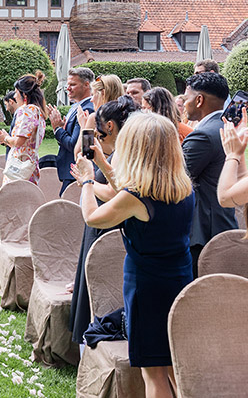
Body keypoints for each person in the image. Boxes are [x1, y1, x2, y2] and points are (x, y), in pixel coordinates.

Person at [76, 112, 193, 398]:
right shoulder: (181, 187)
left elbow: (92, 216)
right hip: (178, 279)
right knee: (173, 367)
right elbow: (130, 190)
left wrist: (87, 181)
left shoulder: (137, 197)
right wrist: (103, 164)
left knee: (153, 373)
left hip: (146, 288)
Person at [67, 95, 141, 347]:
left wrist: (87, 182)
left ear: (110, 126)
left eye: (99, 132)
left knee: (97, 285)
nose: (98, 137)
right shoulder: (122, 149)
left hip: (106, 222)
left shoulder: (122, 152)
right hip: (107, 218)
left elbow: (114, 192)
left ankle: (87, 341)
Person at [181, 72, 237, 276]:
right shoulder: (225, 128)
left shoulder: (203, 136)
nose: (184, 104)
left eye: (186, 98)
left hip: (203, 231)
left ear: (199, 100)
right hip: (222, 223)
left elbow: (175, 177)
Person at [0, 72, 47, 185]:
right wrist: (5, 138)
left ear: (24, 95)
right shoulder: (39, 112)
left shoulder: (26, 110)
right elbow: (25, 145)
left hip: (19, 168)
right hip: (30, 166)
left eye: (16, 92)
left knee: (13, 194)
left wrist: (5, 138)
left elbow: (19, 142)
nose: (15, 96)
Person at [47, 67, 94, 193]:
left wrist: (57, 129)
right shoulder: (75, 107)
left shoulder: (87, 109)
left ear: (86, 85)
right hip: (69, 171)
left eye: (73, 84)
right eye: (68, 85)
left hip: (76, 171)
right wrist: (62, 128)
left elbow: (76, 145)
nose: (68, 88)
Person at [2, 90, 21, 158]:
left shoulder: (20, 117)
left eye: (6, 105)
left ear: (11, 102)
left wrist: (5, 138)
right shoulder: (17, 115)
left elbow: (18, 142)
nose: (7, 109)